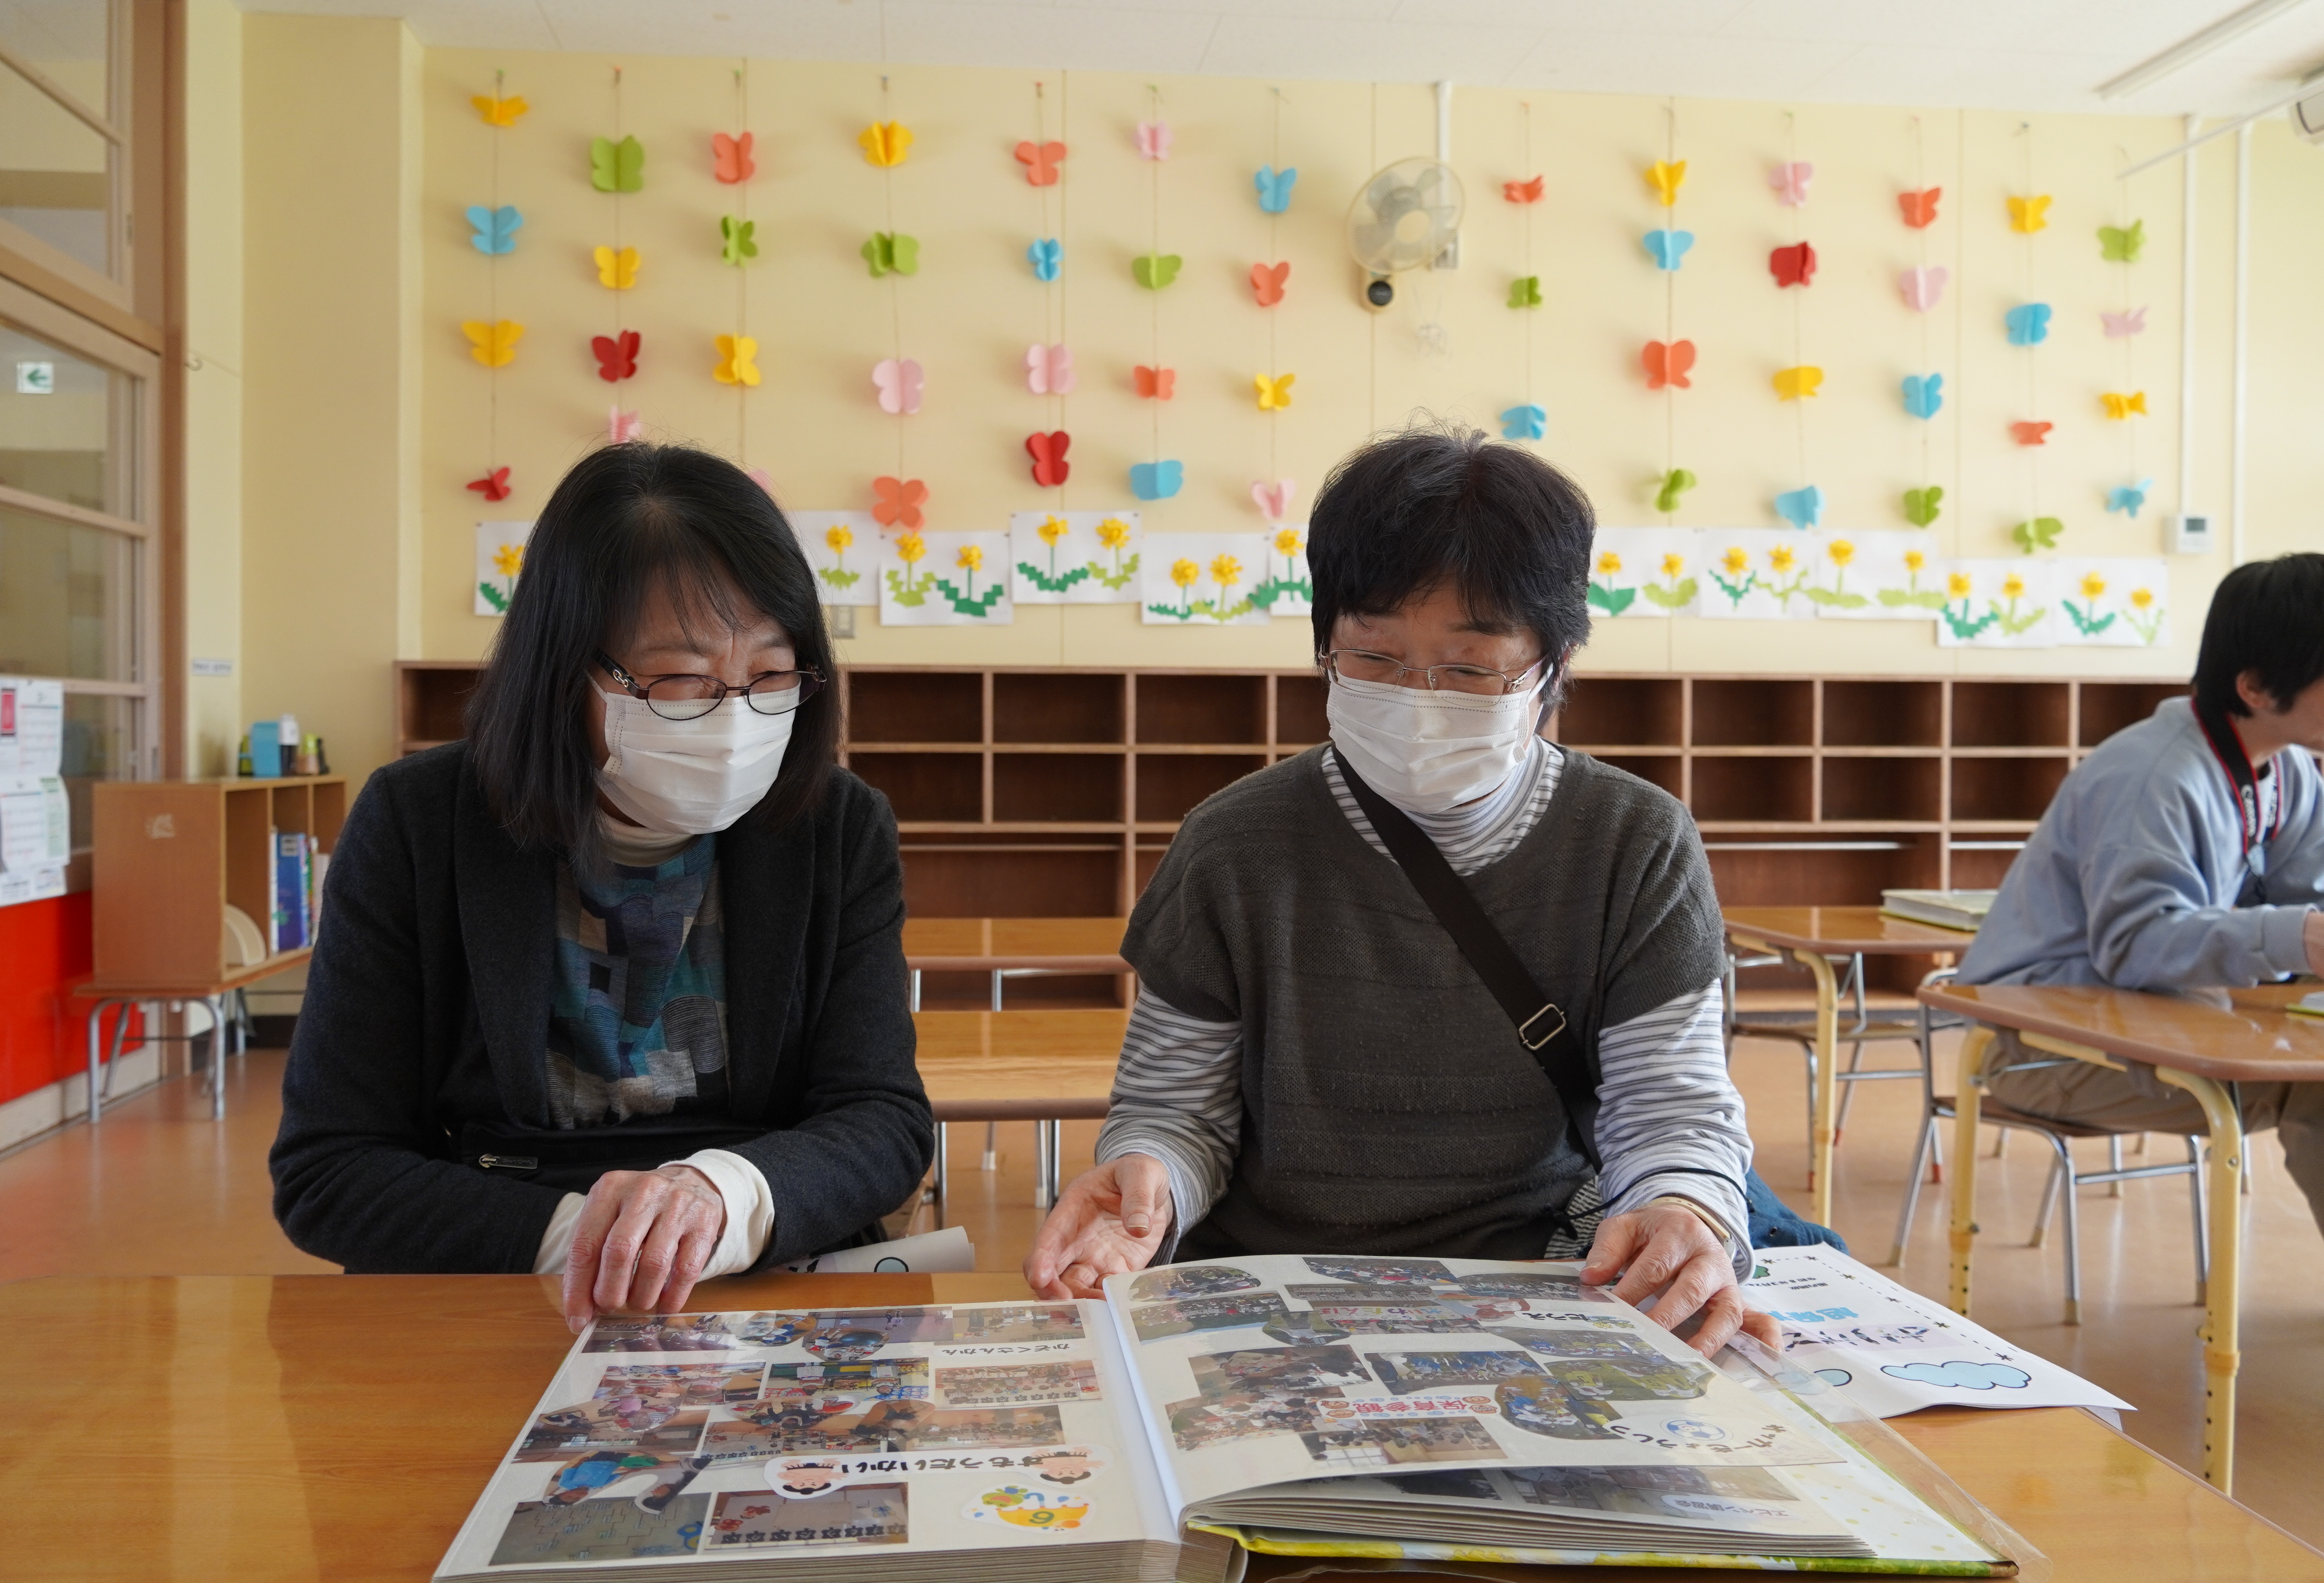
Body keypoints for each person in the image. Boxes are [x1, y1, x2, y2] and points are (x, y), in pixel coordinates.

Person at [1025, 426, 1776, 1353]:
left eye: (1469, 669)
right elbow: (1179, 1109)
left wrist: (1681, 1210)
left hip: (1544, 1284)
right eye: (1375, 660)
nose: (1421, 698)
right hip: (1271, 1291)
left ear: (1550, 668)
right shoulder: (1234, 843)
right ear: (1325, 647)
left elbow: (1670, 1109)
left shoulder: (1633, 841)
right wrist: (1149, 1178)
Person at [271, 443, 932, 1330]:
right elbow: (330, 1169)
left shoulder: (836, 826)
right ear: (564, 668)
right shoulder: (417, 824)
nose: (734, 720)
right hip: (503, 1283)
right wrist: (596, 1242)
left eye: (771, 677)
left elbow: (882, 1118)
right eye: (680, 681)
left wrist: (723, 1199)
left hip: (766, 1270)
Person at [1959, 552, 2324, 1228]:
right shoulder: (2151, 774)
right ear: (2254, 688)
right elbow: (2135, 946)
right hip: (2045, 1043)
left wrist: (2304, 930)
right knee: (2318, 1094)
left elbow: (2310, 897)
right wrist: (2296, 935)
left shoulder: (2292, 772)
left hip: (2162, 1020)